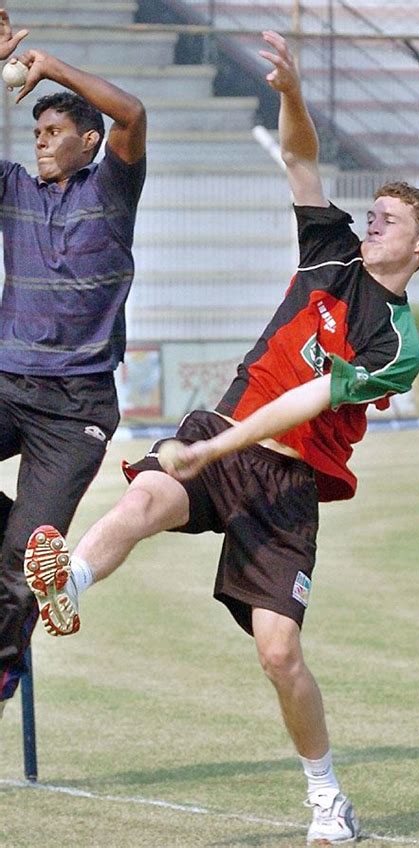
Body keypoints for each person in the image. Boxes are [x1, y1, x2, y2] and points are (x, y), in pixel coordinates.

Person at [23, 30, 419, 846]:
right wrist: (290, 92)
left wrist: (216, 451)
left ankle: (326, 796)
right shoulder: (328, 254)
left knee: (280, 655)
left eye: (387, 220)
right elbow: (301, 160)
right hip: (221, 432)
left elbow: (306, 403)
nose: (371, 223)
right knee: (146, 494)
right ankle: (70, 580)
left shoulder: (397, 342)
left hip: (284, 482)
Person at [0, 8, 146, 714]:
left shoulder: (112, 189)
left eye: (55, 131)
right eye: (35, 131)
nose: (41, 142)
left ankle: (2, 671)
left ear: (89, 141)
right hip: (6, 383)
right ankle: (17, 532)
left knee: (23, 565)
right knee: (18, 543)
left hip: (76, 407)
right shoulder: (15, 190)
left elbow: (134, 111)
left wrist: (49, 67)